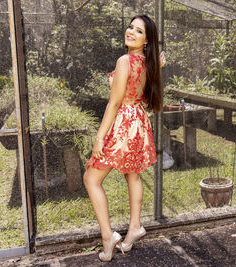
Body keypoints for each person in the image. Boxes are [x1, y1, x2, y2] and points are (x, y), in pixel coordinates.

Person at [83, 14, 165, 262]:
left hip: (124, 123)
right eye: (130, 27)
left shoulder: (125, 61)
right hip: (139, 122)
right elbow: (141, 85)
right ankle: (135, 227)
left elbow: (115, 102)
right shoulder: (147, 62)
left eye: (138, 31)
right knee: (134, 174)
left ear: (147, 40)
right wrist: (158, 67)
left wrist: (100, 137)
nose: (131, 32)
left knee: (91, 178)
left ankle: (108, 236)